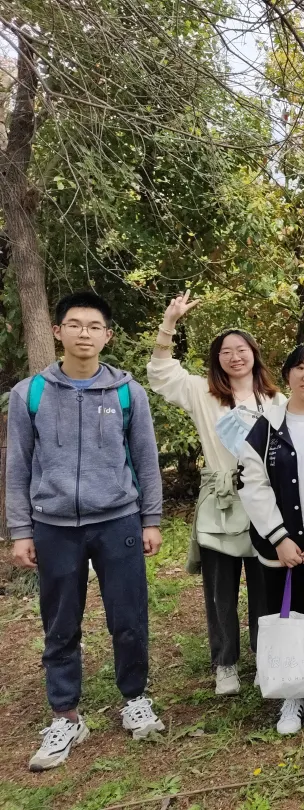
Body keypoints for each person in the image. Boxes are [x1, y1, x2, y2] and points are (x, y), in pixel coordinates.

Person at [7, 291, 166, 771]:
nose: (84, 334)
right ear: (58, 332)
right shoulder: (29, 393)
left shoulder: (126, 391)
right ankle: (65, 715)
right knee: (59, 623)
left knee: (129, 616)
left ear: (107, 335)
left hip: (116, 518)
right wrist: (20, 529)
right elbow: (17, 465)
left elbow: (145, 458)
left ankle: (134, 698)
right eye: (74, 325)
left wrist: (151, 519)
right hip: (53, 525)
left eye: (94, 326)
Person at [148, 291, 285, 697]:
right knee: (220, 587)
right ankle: (225, 663)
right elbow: (160, 375)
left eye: (241, 349)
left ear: (254, 355)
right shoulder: (202, 394)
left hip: (264, 502)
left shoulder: (276, 401)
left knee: (265, 585)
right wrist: (169, 323)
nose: (234, 356)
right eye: (226, 351)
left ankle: (266, 659)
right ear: (217, 359)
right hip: (221, 500)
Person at [237, 344, 304, 737]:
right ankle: (290, 693)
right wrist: (279, 537)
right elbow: (252, 483)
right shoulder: (265, 424)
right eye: (300, 368)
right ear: (286, 374)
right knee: (281, 616)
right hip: (277, 549)